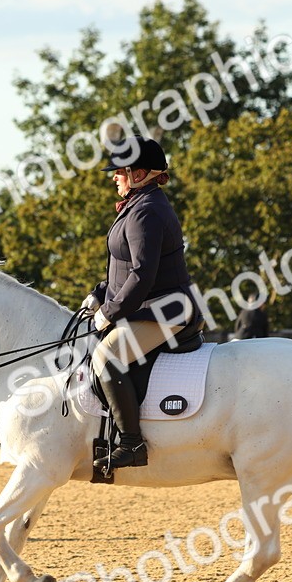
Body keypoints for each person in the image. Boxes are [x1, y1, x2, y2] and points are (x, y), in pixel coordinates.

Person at [82, 136, 198, 470]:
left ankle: (133, 444)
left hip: (165, 311)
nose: (113, 177)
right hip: (147, 307)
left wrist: (110, 312)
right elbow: (123, 269)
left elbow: (142, 275)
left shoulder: (146, 211)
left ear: (139, 173)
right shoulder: (139, 206)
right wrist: (100, 293)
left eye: (119, 171)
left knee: (107, 358)